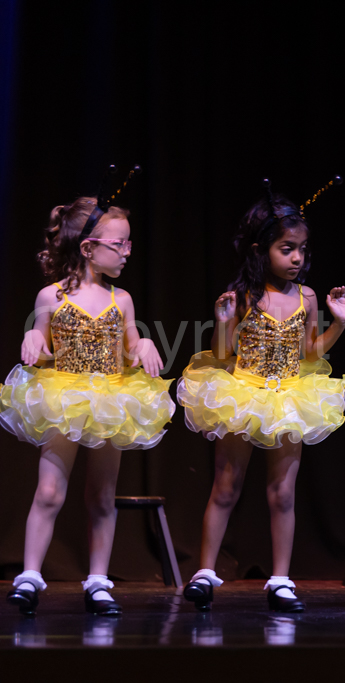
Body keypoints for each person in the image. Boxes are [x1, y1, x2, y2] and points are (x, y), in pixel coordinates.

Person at [176, 183, 345, 613]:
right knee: (226, 486)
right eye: (286, 249)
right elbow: (222, 354)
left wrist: (341, 323)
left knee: (282, 492)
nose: (297, 258)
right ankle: (205, 573)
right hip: (244, 392)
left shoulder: (307, 297)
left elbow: (311, 353)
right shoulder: (245, 297)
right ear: (261, 250)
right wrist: (222, 322)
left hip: (288, 395)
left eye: (302, 249)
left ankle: (280, 579)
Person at [3, 195, 173, 616]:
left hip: (110, 398)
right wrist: (34, 337)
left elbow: (130, 347)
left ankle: (98, 581)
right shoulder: (51, 296)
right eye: (119, 244)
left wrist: (143, 344)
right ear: (87, 247)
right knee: (49, 491)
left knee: (102, 494)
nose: (127, 251)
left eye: (129, 243)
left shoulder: (122, 299)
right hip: (64, 396)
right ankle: (29, 576)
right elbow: (41, 340)